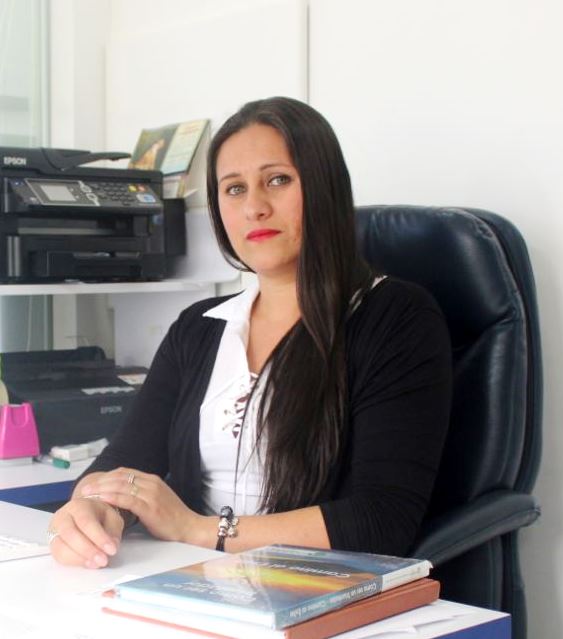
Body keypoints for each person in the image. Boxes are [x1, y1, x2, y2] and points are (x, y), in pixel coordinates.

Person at [48, 97, 452, 570]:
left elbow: (381, 519)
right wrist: (94, 507)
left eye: (277, 180)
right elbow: (126, 459)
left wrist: (198, 529)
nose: (254, 207)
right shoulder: (199, 327)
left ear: (324, 186)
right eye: (234, 189)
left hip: (317, 582)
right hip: (188, 577)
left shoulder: (394, 317)